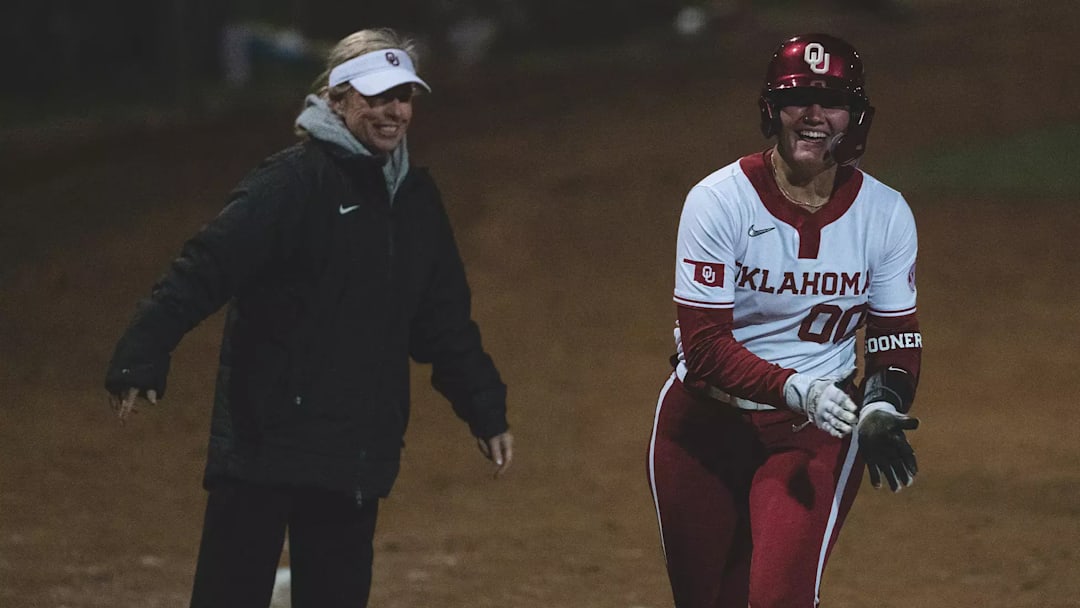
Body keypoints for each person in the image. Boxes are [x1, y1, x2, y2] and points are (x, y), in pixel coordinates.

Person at [104, 27, 514, 608]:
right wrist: (144, 349)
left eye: (404, 97)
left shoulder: (416, 201)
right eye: (377, 97)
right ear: (337, 98)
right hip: (263, 449)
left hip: (353, 453)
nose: (394, 111)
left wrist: (482, 404)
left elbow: (441, 318)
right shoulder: (289, 183)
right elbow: (206, 266)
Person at [646, 33, 922, 607]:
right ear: (773, 111)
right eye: (800, 98)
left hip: (810, 437)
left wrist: (878, 407)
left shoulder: (886, 214)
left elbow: (895, 340)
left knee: (780, 600)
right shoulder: (719, 202)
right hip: (701, 428)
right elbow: (703, 347)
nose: (815, 115)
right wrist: (795, 388)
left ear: (855, 117)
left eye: (832, 100)